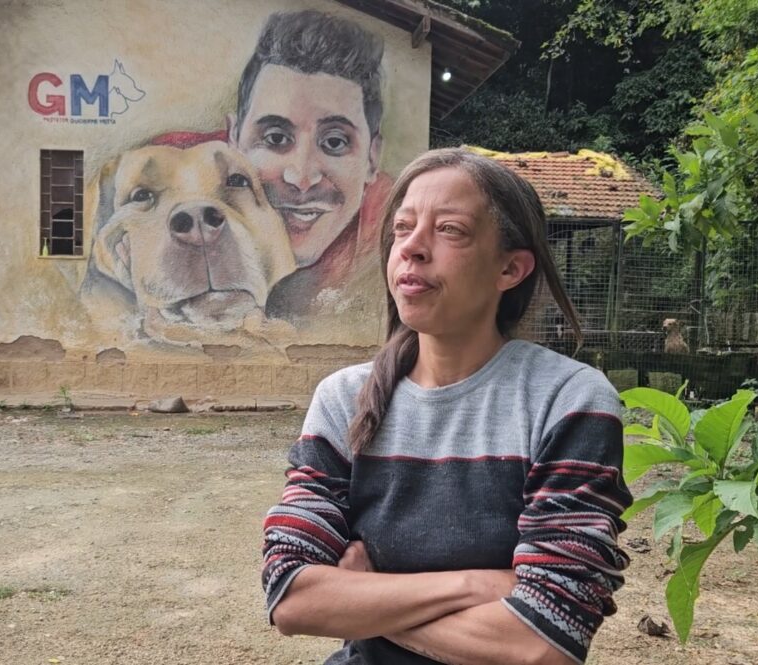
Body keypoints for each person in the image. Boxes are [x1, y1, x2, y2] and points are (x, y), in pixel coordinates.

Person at [262, 148, 633, 664]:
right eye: (402, 228)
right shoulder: (343, 399)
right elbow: (292, 597)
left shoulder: (567, 400)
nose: (412, 248)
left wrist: (366, 597)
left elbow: (543, 642)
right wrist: (475, 585)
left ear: (510, 268)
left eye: (450, 230)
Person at [227, 10, 392, 320]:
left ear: (372, 159)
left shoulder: (396, 237)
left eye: (335, 142)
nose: (301, 177)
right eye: (276, 138)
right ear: (233, 140)